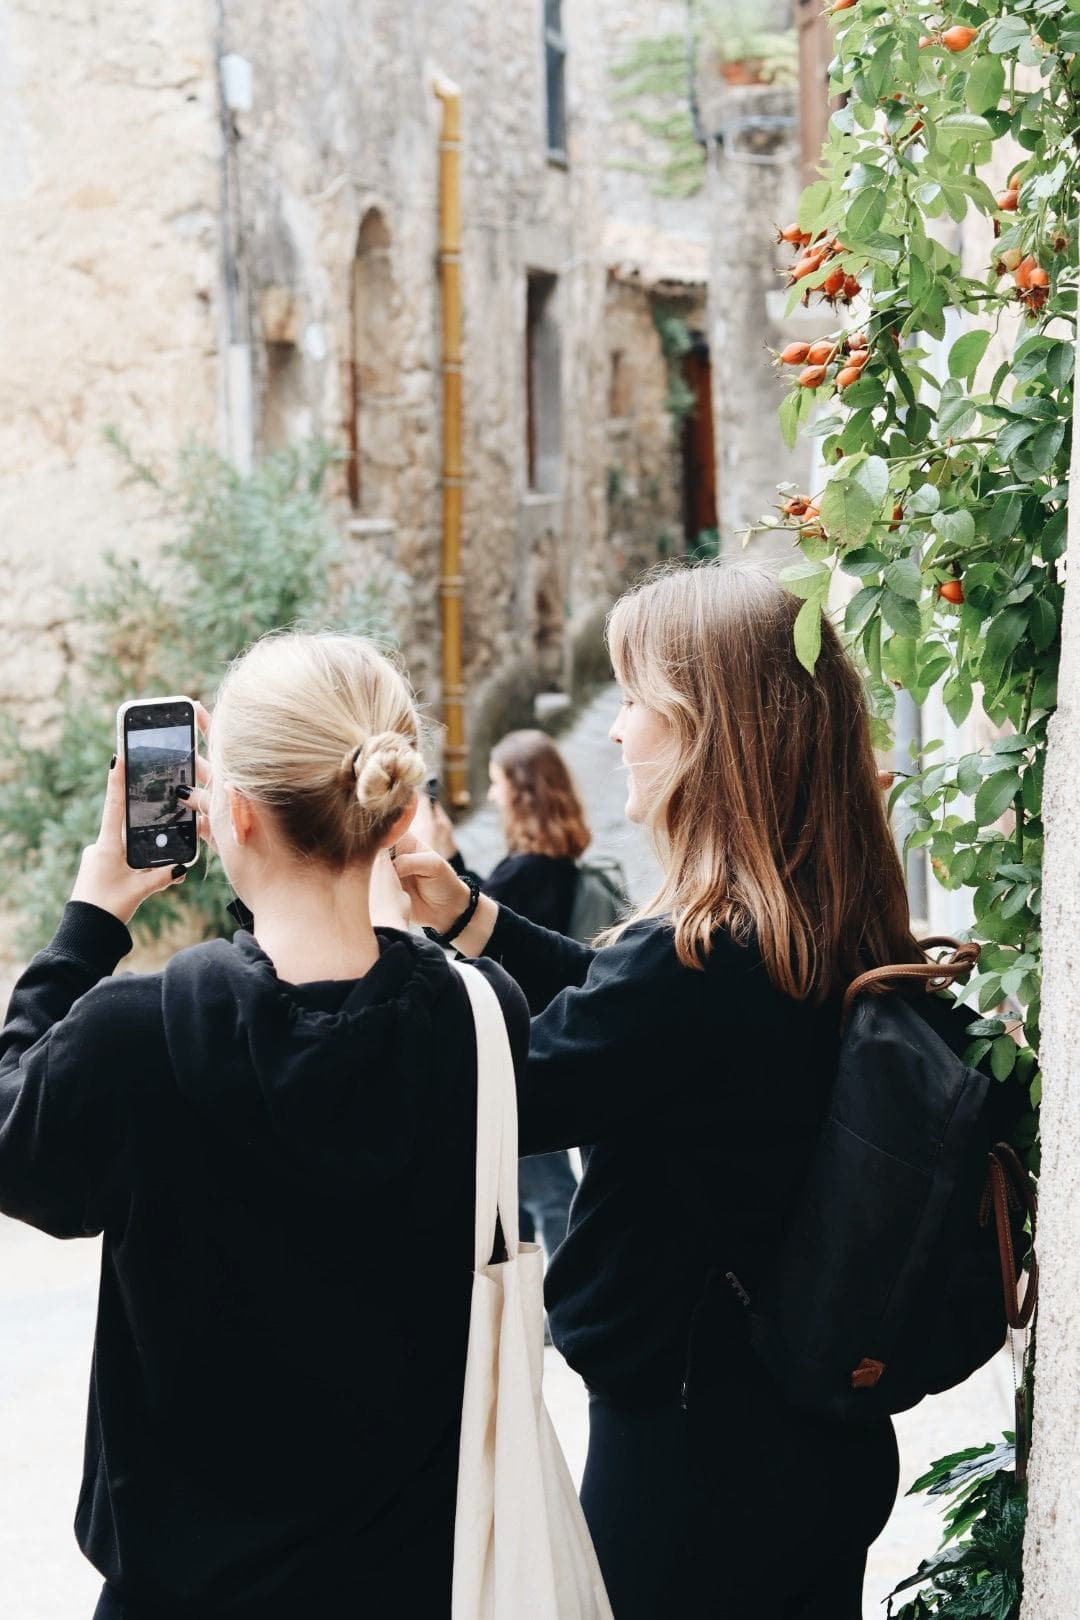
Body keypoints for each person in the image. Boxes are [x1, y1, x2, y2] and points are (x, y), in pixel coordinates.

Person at [393, 560, 919, 1620]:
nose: (620, 731)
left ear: (707, 733)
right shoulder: (810, 922)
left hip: (695, 1455)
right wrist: (469, 917)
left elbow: (504, 1097)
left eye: (637, 703)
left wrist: (377, 953)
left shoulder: (693, 965)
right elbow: (619, 1002)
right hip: (814, 1435)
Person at [0, 633, 527, 1620]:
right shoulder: (481, 1016)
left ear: (228, 812)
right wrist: (459, 911)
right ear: (396, 807)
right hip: (412, 1589)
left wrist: (92, 913)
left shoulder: (135, 1040)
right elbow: (607, 1008)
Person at [423, 729, 626, 1262]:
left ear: (522, 790)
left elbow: (489, 930)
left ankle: (548, 1312)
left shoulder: (528, 871)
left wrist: (449, 864)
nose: (490, 796)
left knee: (544, 1192)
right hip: (549, 1035)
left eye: (496, 783)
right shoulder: (552, 863)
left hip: (525, 1047)